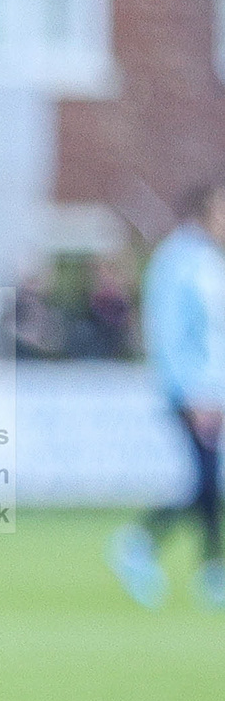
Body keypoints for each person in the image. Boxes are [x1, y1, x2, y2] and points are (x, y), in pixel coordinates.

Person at [109, 181, 225, 609]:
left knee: (208, 480)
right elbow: (172, 333)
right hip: (193, 391)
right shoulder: (179, 261)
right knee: (207, 478)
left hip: (211, 389)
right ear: (204, 211)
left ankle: (187, 560)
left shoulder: (207, 259)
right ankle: (154, 548)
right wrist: (196, 391)